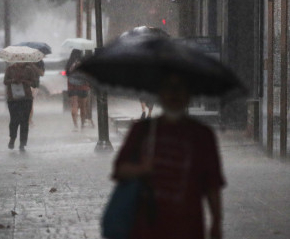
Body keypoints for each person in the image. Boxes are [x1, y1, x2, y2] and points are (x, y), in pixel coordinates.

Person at [111, 73, 225, 239]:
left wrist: (216, 221)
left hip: (188, 228)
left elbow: (212, 184)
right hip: (148, 227)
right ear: (160, 93)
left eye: (180, 88)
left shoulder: (202, 135)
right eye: (168, 88)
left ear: (188, 94)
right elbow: (119, 169)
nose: (174, 93)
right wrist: (142, 169)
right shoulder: (142, 131)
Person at [4, 62, 37, 152]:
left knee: (24, 121)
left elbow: (34, 83)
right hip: (13, 99)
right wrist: (13, 80)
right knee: (14, 120)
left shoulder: (29, 69)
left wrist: (24, 82)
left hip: (26, 98)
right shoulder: (10, 69)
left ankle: (22, 143)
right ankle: (12, 138)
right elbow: (5, 81)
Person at [65, 49, 90, 131]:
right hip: (83, 86)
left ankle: (75, 125)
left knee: (74, 105)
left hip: (72, 86)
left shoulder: (70, 63)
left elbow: (67, 74)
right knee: (83, 106)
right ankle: (82, 125)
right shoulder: (83, 62)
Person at [28, 60, 45, 126]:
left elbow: (42, 73)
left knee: (30, 103)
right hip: (24, 84)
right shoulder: (24, 61)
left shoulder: (40, 62)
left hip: (34, 85)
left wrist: (32, 65)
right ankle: (27, 119)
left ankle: (29, 120)